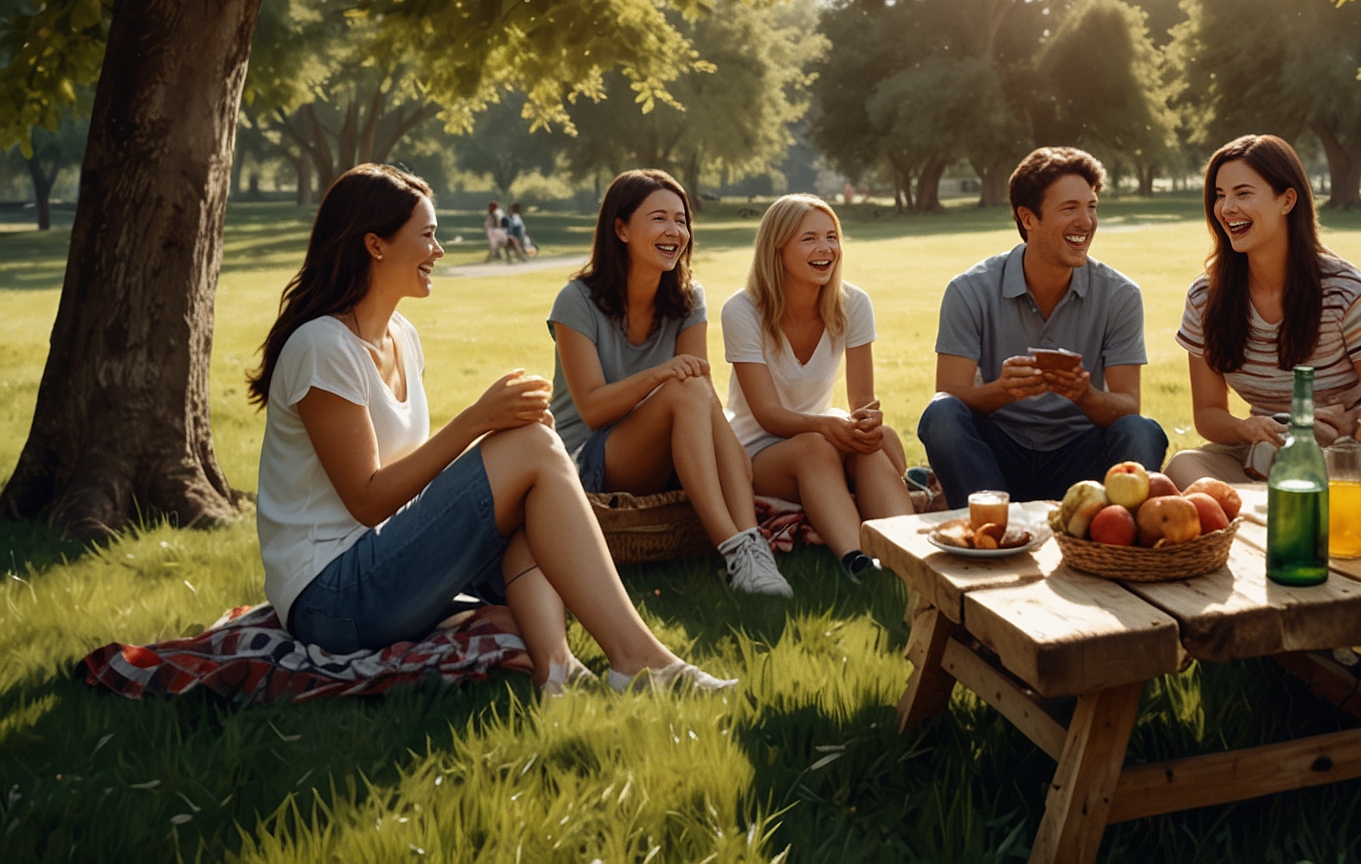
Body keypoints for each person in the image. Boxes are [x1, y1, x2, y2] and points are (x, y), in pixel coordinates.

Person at [250, 163, 734, 694]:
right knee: (529, 450)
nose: (439, 252)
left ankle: (558, 673)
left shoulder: (402, 336)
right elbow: (367, 499)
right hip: (333, 600)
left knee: (532, 481)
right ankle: (642, 664)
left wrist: (506, 454)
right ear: (375, 245)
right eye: (428, 236)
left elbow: (406, 485)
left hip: (383, 564)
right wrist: (480, 422)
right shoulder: (323, 347)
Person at [548, 170, 789, 597]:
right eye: (659, 218)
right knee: (684, 383)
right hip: (588, 460)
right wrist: (658, 375)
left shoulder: (687, 297)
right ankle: (733, 550)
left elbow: (702, 391)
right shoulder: (576, 301)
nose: (674, 231)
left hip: (664, 449)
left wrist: (732, 452)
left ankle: (753, 550)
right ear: (620, 229)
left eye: (681, 220)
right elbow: (592, 409)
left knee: (693, 385)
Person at [918, 147, 1166, 508]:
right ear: (1027, 218)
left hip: (1081, 459)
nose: (1086, 221)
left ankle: (1108, 539)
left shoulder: (1119, 294)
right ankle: (992, 522)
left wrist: (1084, 395)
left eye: (1092, 206)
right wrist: (1003, 390)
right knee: (941, 415)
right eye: (1070, 208)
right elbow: (949, 394)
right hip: (998, 456)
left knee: (1142, 431)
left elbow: (1129, 405)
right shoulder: (969, 290)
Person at [1165, 134, 1361, 489]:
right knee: (1183, 467)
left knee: (1302, 482)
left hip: (1338, 451)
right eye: (1220, 195)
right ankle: (1257, 509)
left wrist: (1346, 425)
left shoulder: (1345, 292)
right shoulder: (1205, 297)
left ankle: (1263, 508)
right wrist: (1244, 428)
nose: (1226, 208)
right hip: (1261, 449)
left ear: (1287, 200)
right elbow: (1208, 414)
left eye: (1243, 193)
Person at [721, 194, 911, 579]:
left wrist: (866, 424)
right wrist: (828, 426)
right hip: (758, 447)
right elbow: (767, 415)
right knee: (817, 447)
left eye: (832, 237)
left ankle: (911, 554)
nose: (825, 248)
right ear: (778, 247)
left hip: (819, 433)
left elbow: (862, 400)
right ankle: (857, 562)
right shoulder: (742, 310)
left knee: (874, 442)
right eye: (809, 239)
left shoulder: (853, 303)